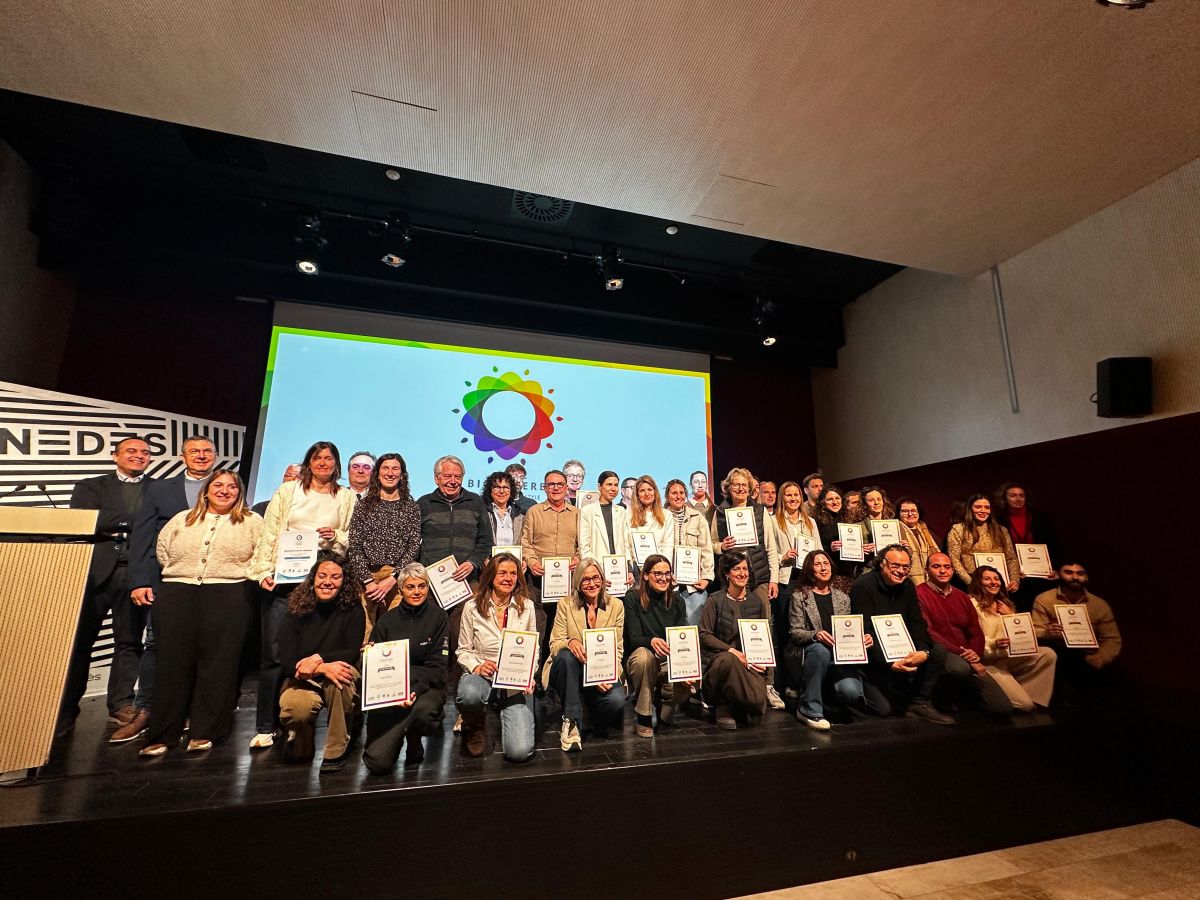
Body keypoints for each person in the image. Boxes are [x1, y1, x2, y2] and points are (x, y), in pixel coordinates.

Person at [139, 470, 262, 756]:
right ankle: (162, 733)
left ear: (239, 493)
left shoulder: (252, 521)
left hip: (230, 594)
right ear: (205, 490)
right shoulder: (181, 519)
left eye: (232, 487)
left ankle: (205, 731)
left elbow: (261, 555)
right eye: (218, 485)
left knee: (218, 665)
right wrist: (184, 574)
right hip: (178, 593)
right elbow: (163, 551)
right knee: (171, 664)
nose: (224, 490)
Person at [247, 440, 356, 749]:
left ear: (337, 464)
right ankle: (267, 725)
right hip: (286, 577)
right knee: (274, 653)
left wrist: (336, 536)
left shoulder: (346, 496)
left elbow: (351, 536)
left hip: (325, 577)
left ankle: (306, 718)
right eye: (317, 458)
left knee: (322, 645)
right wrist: (262, 570)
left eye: (329, 458)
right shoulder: (288, 491)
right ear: (309, 462)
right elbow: (270, 532)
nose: (323, 463)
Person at [112, 433, 217, 744]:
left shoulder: (226, 486)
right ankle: (146, 709)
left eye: (207, 451)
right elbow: (143, 536)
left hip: (213, 582)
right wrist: (140, 580)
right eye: (194, 451)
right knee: (156, 644)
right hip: (167, 580)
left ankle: (193, 711)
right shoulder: (160, 489)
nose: (201, 456)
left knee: (204, 645)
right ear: (183, 456)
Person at [57, 436, 152, 739]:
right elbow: (86, 519)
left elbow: (158, 524)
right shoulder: (90, 486)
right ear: (115, 456)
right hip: (95, 574)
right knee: (80, 643)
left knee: (129, 642)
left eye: (145, 452)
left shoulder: (158, 489)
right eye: (131, 451)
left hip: (136, 575)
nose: (138, 456)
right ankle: (66, 709)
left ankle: (121, 704)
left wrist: (114, 522)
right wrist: (137, 521)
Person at [276, 555, 367, 771]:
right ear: (313, 579)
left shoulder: (353, 608)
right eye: (322, 576)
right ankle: (303, 734)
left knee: (340, 680)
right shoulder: (295, 609)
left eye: (335, 577)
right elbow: (287, 662)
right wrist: (322, 668)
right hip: (304, 677)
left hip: (339, 670)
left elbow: (351, 652)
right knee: (294, 711)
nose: (328, 582)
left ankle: (335, 749)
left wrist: (319, 659)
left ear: (344, 581)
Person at [850, 545, 954, 725]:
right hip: (875, 655)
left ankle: (919, 702)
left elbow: (917, 622)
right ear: (882, 563)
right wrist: (889, 663)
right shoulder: (863, 586)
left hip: (900, 644)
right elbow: (864, 633)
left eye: (906, 567)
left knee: (937, 651)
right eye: (895, 565)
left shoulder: (908, 585)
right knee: (884, 709)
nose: (900, 571)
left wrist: (923, 651)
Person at [362, 562, 449, 773]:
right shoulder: (386, 621)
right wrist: (369, 658)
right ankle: (398, 733)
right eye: (410, 587)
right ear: (400, 590)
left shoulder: (439, 617)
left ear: (428, 588)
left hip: (425, 689)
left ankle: (414, 736)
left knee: (425, 712)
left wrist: (412, 688)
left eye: (422, 586)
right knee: (377, 763)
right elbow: (374, 670)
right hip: (390, 692)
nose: (417, 592)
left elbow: (438, 667)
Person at [416, 455, 490, 697]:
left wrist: (472, 563)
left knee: (463, 640)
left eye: (457, 476)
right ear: (436, 478)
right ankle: (432, 696)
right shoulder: (423, 503)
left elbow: (485, 542)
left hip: (467, 584)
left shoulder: (476, 502)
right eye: (447, 476)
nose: (452, 481)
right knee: (432, 640)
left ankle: (462, 696)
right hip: (432, 586)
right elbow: (413, 544)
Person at [455, 553, 537, 762]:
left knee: (519, 752)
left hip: (515, 681)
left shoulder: (527, 607)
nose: (508, 578)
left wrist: (530, 674)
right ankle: (475, 723)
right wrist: (477, 666)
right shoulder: (472, 607)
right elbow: (463, 650)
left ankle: (503, 706)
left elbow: (533, 648)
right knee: (469, 694)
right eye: (502, 573)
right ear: (491, 575)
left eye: (513, 573)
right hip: (483, 675)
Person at [784, 550, 875, 730]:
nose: (823, 568)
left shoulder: (842, 598)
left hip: (839, 656)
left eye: (826, 563)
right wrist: (816, 634)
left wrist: (862, 638)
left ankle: (827, 697)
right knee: (820, 650)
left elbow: (847, 630)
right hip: (810, 652)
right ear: (810, 569)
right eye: (817, 564)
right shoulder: (799, 596)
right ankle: (809, 709)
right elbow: (795, 632)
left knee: (851, 692)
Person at [544, 559, 626, 751]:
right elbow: (554, 644)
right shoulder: (565, 604)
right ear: (578, 583)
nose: (592, 583)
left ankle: (586, 707)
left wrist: (603, 675)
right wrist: (570, 642)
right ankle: (571, 720)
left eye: (596, 578)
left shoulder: (616, 606)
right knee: (566, 656)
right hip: (570, 669)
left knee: (616, 701)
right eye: (585, 579)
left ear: (602, 579)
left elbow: (618, 649)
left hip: (601, 670)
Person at [916, 553, 1013, 717]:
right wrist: (963, 654)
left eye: (947, 567)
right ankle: (941, 697)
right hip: (943, 652)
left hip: (968, 654)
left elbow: (975, 630)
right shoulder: (919, 593)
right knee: (958, 668)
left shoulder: (961, 596)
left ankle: (963, 696)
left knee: (1002, 708)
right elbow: (929, 632)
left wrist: (975, 654)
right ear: (927, 570)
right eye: (936, 566)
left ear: (952, 570)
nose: (942, 571)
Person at [347, 453, 421, 630]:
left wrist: (393, 578)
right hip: (366, 578)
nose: (390, 473)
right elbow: (355, 546)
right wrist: (368, 581)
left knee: (396, 632)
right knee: (364, 632)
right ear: (378, 474)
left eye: (395, 469)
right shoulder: (363, 505)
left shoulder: (411, 507)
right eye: (385, 468)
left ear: (402, 475)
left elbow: (413, 547)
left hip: (397, 578)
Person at [969, 566, 1057, 711]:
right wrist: (995, 644)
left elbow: (1023, 634)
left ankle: (1030, 696)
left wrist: (1011, 615)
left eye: (996, 578)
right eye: (987, 579)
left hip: (1006, 658)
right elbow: (972, 639)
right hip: (988, 662)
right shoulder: (971, 605)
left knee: (1047, 654)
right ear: (978, 582)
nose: (993, 582)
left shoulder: (1004, 604)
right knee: (1024, 705)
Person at [700, 552, 770, 729]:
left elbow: (764, 637)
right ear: (727, 574)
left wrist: (765, 666)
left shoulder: (757, 602)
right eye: (736, 569)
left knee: (757, 704)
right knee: (729, 659)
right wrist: (731, 651)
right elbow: (704, 635)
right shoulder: (715, 600)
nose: (742, 573)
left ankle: (736, 703)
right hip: (719, 662)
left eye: (745, 569)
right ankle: (723, 704)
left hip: (748, 662)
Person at [623, 554, 690, 736]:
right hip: (642, 658)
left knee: (687, 683)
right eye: (658, 573)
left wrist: (687, 668)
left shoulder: (678, 601)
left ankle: (664, 699)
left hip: (667, 660)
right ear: (645, 575)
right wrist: (651, 641)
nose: (663, 578)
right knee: (644, 657)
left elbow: (679, 639)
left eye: (667, 573)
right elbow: (634, 638)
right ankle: (644, 716)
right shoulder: (633, 597)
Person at [1031, 561, 1121, 693]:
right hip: (1058, 654)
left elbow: (1112, 639)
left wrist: (1099, 659)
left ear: (1087, 577)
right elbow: (1034, 631)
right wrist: (1047, 633)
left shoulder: (1100, 604)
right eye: (1068, 572)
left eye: (1080, 573)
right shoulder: (1044, 599)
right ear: (1058, 575)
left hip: (1088, 656)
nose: (1075, 577)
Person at [769, 481, 823, 693]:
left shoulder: (810, 522)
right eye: (788, 495)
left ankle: (806, 680)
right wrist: (783, 557)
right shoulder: (773, 521)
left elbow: (818, 549)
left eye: (796, 495)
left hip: (807, 579)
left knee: (807, 629)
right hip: (786, 579)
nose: (793, 499)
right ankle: (787, 682)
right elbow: (769, 552)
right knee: (786, 632)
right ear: (782, 498)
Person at [519, 469, 581, 642]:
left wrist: (578, 558)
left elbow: (583, 543)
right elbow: (525, 542)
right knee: (538, 629)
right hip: (538, 581)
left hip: (568, 581)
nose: (556, 488)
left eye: (560, 484)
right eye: (551, 484)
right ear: (545, 488)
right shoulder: (534, 511)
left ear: (566, 488)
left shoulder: (577, 513)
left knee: (565, 628)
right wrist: (532, 562)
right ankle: (537, 659)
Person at [993, 482, 1061, 611]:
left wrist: (1055, 567)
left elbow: (1054, 544)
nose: (1018, 499)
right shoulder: (998, 519)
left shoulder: (1041, 518)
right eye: (1013, 495)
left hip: (1041, 572)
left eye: (1021, 495)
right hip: (1016, 573)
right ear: (1004, 498)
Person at [664, 478, 715, 625]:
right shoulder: (661, 517)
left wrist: (706, 578)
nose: (678, 496)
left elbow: (706, 550)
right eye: (674, 493)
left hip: (693, 585)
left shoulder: (697, 517)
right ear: (667, 496)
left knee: (694, 626)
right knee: (670, 626)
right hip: (668, 583)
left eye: (681, 493)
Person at [946, 493, 1020, 592]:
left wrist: (1014, 580)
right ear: (970, 509)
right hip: (970, 584)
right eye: (978, 507)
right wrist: (971, 582)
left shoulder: (1001, 531)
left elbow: (1011, 558)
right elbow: (954, 559)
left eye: (987, 507)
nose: (983, 511)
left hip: (998, 583)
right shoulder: (958, 529)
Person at [862, 486, 926, 584]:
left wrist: (906, 548)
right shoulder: (859, 526)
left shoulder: (895, 525)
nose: (876, 503)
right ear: (864, 504)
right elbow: (853, 559)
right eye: (871, 500)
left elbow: (909, 553)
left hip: (895, 575)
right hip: (870, 576)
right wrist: (862, 552)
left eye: (879, 499)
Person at [814, 485, 870, 595]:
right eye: (830, 499)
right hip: (831, 573)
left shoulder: (849, 518)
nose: (835, 502)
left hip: (850, 573)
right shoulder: (817, 521)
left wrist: (861, 549)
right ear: (823, 501)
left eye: (837, 498)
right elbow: (815, 549)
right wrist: (829, 548)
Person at [578, 470, 633, 581]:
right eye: (609, 484)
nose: (613, 489)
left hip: (620, 570)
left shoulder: (621, 511)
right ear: (599, 486)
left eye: (616, 485)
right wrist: (595, 571)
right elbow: (584, 547)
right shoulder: (587, 511)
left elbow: (626, 544)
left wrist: (629, 569)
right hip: (597, 571)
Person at [628, 475, 674, 570]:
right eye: (642, 491)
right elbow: (626, 544)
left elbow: (668, 545)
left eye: (650, 490)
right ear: (637, 495)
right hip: (635, 568)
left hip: (659, 569)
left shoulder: (666, 515)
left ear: (655, 492)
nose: (647, 494)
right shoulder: (628, 514)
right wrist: (631, 568)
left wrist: (663, 567)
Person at [897, 497, 941, 583]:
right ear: (898, 513)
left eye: (913, 511)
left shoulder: (927, 532)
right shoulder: (895, 530)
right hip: (906, 580)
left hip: (929, 580)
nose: (910, 514)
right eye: (905, 511)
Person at [483, 470, 525, 551]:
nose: (501, 491)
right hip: (488, 558)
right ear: (490, 490)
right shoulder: (482, 512)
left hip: (514, 558)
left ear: (511, 491)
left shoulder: (520, 515)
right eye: (497, 487)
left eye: (506, 487)